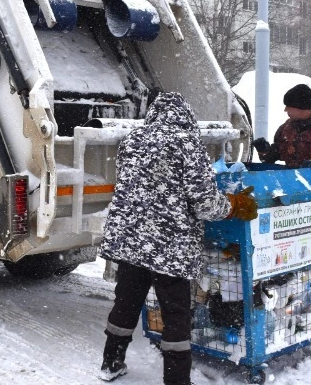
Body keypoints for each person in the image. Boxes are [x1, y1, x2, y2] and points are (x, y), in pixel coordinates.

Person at [98, 92, 259, 384]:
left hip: (131, 242)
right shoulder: (187, 144)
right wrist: (232, 205)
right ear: (185, 116)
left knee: (126, 302)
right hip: (168, 247)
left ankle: (111, 362)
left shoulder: (133, 140)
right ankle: (176, 379)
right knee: (176, 315)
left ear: (155, 113)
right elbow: (205, 204)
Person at [252, 83, 311, 175]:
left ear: (302, 107)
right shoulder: (286, 127)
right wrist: (264, 151)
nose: (285, 110)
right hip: (291, 184)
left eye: (289, 106)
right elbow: (273, 155)